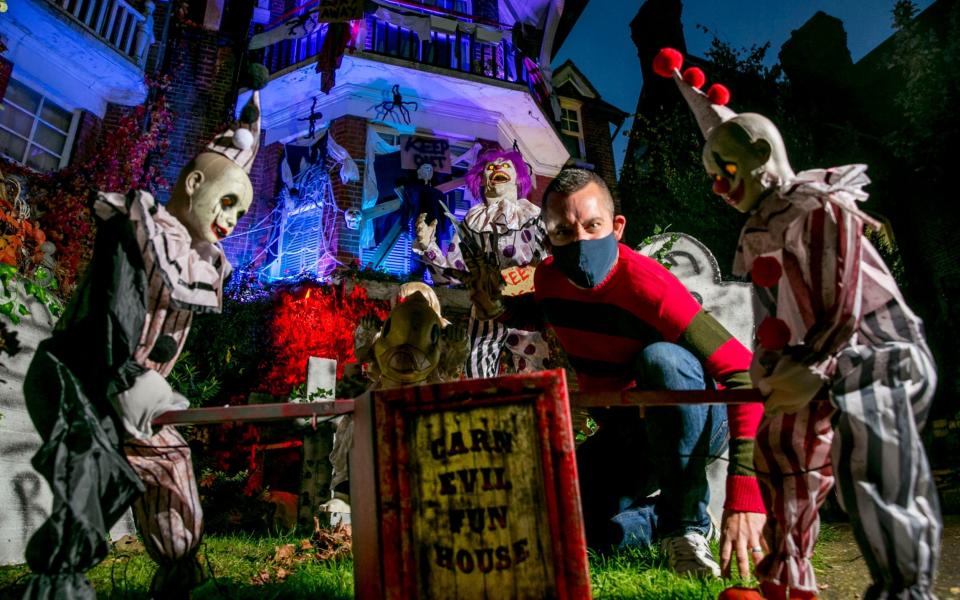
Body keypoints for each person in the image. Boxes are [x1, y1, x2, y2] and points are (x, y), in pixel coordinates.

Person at [654, 47, 941, 599]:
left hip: (875, 354)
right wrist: (773, 369)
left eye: (726, 170)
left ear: (762, 153)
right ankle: (787, 579)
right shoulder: (759, 228)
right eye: (713, 175)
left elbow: (845, 302)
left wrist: (812, 363)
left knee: (874, 466)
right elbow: (772, 317)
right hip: (810, 361)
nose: (718, 186)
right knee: (781, 450)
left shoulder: (817, 207)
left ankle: (906, 589)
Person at [20, 69, 265, 599]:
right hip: (81, 375)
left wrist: (150, 384)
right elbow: (111, 309)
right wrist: (128, 375)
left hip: (135, 395)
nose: (233, 220)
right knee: (94, 462)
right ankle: (58, 584)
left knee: (171, 462)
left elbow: (168, 339)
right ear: (196, 183)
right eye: (228, 202)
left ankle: (180, 574)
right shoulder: (138, 223)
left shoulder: (205, 261)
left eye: (242, 211)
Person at [471, 166, 766, 578]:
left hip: (692, 412)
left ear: (617, 226)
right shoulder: (550, 282)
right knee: (551, 522)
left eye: (593, 226)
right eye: (564, 232)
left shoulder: (649, 286)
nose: (582, 242)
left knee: (662, 358)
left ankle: (688, 528)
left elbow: (741, 374)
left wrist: (745, 493)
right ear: (548, 235)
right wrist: (496, 308)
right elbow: (544, 311)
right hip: (627, 432)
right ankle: (657, 521)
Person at [414, 148, 549, 378]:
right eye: (490, 167)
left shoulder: (533, 215)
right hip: (486, 307)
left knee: (534, 376)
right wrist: (428, 246)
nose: (497, 168)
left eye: (506, 165)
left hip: (526, 305)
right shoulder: (473, 220)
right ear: (482, 179)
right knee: (476, 371)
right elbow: (454, 272)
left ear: (518, 177)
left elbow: (549, 258)